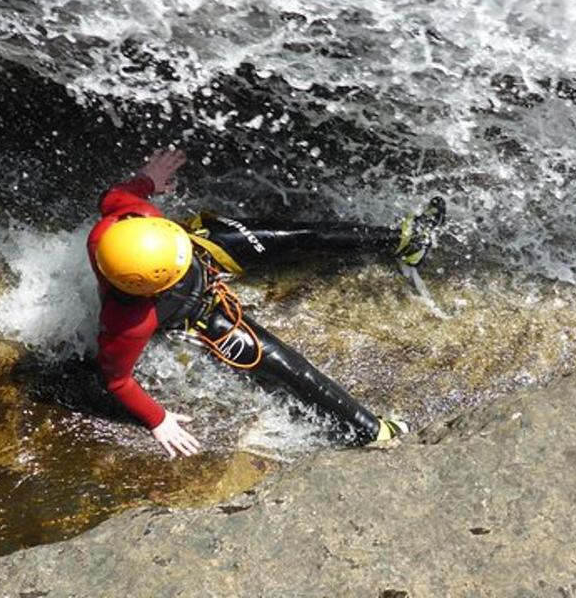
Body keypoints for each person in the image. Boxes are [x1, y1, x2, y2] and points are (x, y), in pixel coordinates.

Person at [86, 148, 446, 458]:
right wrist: (158, 420)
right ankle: (372, 432)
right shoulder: (129, 321)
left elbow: (113, 194)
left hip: (205, 249)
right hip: (198, 314)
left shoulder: (125, 221)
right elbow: (117, 380)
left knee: (303, 236)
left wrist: (148, 179)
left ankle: (405, 242)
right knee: (286, 365)